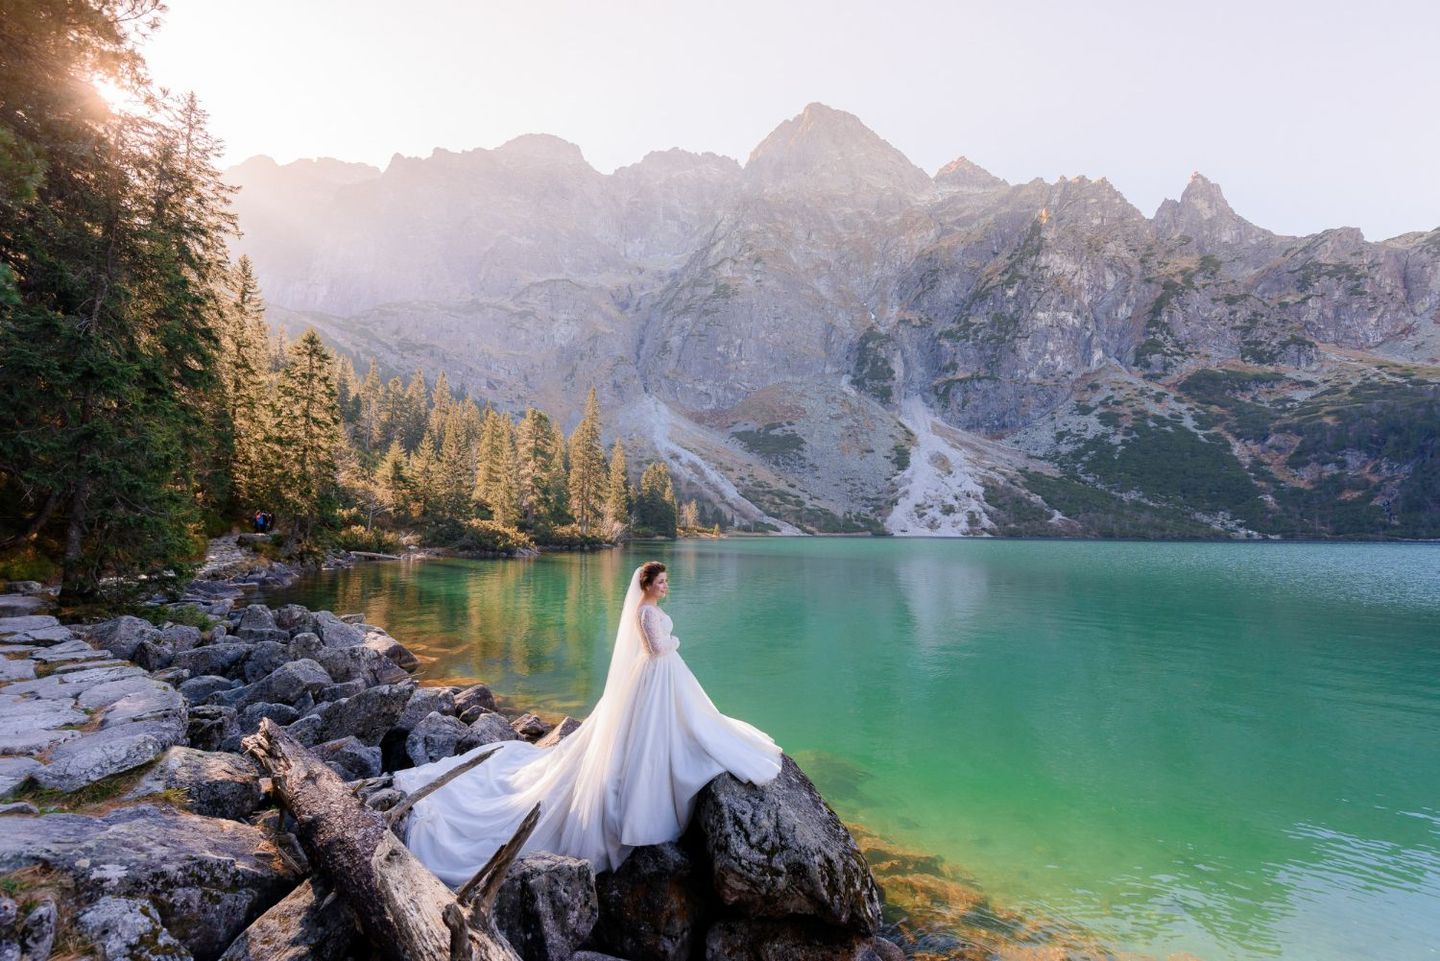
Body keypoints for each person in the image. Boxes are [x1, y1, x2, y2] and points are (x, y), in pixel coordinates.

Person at [392, 561, 783, 884]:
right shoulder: (644, 612)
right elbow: (656, 648)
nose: (667, 587)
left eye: (667, 582)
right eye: (661, 582)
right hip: (655, 675)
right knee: (646, 733)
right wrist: (678, 643)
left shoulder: (651, 609)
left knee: (678, 725)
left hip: (664, 677)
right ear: (646, 584)